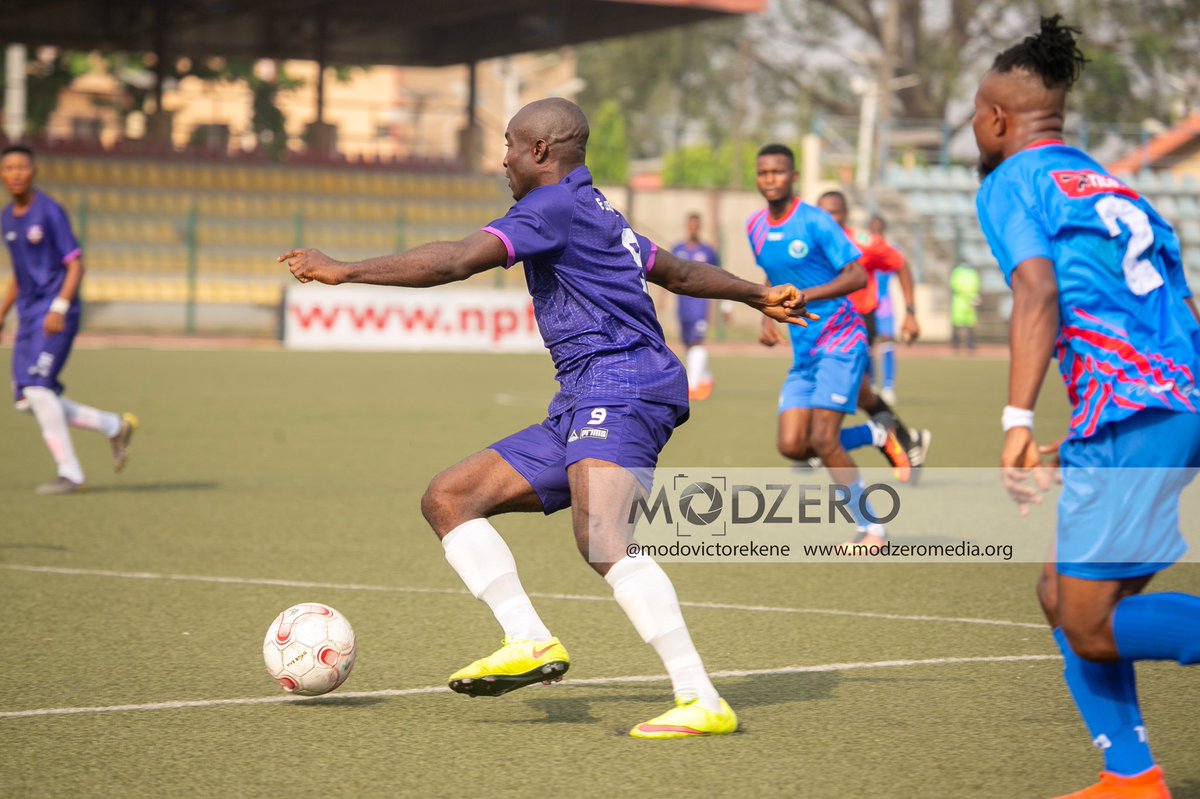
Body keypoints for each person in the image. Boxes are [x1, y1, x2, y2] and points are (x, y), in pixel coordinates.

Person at [280, 98, 813, 739]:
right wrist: (755, 292)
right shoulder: (596, 210)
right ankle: (528, 640)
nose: (502, 157)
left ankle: (699, 697)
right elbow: (673, 271)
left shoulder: (551, 207)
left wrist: (344, 270)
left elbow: (455, 260)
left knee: (602, 538)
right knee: (450, 498)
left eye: (509, 143)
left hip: (623, 385)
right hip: (584, 397)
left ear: (540, 152)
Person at [974, 17, 1200, 799]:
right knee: (1060, 595)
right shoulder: (1115, 186)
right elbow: (1183, 308)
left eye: (976, 113)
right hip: (1155, 409)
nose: (975, 127)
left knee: (1089, 621)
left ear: (998, 120)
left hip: (1138, 413)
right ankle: (1131, 776)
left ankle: (1133, 778)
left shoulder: (1013, 182)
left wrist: (1015, 422)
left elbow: (1037, 290)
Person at [750, 144, 890, 544]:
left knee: (824, 439)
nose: (770, 179)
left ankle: (871, 528)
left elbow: (858, 276)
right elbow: (770, 275)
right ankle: (876, 434)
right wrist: (765, 313)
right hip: (805, 350)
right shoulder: (755, 226)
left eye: (777, 172)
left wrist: (809, 294)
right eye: (763, 173)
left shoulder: (816, 222)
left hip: (842, 339)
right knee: (793, 444)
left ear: (793, 177)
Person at [0, 145, 137, 495]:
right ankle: (113, 426)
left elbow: (76, 264)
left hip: (56, 313)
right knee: (27, 400)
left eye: (21, 167)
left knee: (37, 389)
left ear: (34, 172)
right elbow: (19, 273)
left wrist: (60, 307)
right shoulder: (7, 218)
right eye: (8, 168)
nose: (15, 173)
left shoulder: (49, 212)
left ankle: (71, 474)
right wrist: (2, 313)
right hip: (30, 317)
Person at [815, 192, 931, 493]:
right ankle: (906, 438)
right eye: (823, 213)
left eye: (836, 213)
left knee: (841, 391)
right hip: (822, 327)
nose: (830, 219)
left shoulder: (863, 241)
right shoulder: (812, 241)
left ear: (846, 213)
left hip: (855, 325)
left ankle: (843, 440)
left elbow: (900, 264)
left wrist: (910, 312)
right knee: (861, 392)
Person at [670, 212, 720, 400]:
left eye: (695, 225)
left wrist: (725, 307)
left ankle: (692, 384)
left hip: (700, 303)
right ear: (686, 226)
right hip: (683, 303)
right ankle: (706, 378)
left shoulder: (708, 251)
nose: (693, 228)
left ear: (700, 226)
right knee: (688, 343)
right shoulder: (677, 249)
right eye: (690, 225)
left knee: (698, 341)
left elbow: (720, 275)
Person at [949, 262, 982, 353]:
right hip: (960, 300)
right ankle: (956, 342)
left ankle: (970, 342)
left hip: (969, 299)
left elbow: (976, 285)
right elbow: (954, 285)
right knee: (957, 322)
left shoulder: (972, 273)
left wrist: (974, 296)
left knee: (970, 322)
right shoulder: (957, 272)